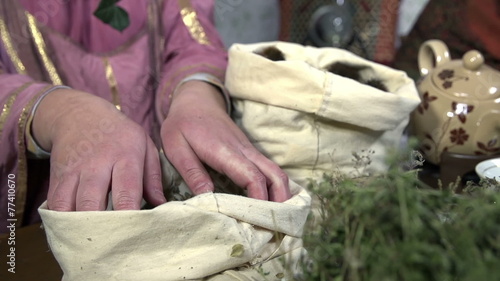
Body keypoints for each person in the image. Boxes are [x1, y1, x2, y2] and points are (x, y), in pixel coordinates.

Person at [0, 0, 291, 232]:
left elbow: (192, 42)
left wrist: (198, 92)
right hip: (29, 230)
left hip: (167, 194)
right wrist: (61, 111)